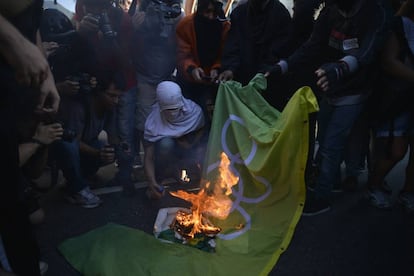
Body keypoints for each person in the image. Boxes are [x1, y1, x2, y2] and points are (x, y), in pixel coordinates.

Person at [265, 0, 392, 216]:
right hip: (330, 88)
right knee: (323, 140)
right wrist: (282, 66)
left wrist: (341, 68)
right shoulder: (330, 12)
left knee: (331, 145)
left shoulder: (376, 11)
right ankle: (330, 180)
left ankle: (322, 198)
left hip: (355, 91)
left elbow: (368, 51)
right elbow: (312, 46)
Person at [0, 0, 60, 274]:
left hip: (15, 95)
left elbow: (29, 21)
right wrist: (12, 40)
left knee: (17, 206)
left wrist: (45, 73)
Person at [74, 0, 140, 181]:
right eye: (91, 7)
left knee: (123, 128)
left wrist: (109, 36)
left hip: (121, 81)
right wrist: (80, 32)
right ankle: (81, 170)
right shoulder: (81, 9)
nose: (95, 11)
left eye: (100, 7)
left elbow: (126, 59)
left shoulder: (122, 19)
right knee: (88, 125)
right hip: (97, 82)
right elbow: (78, 51)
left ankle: (126, 169)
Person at [50, 70, 126, 207]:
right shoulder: (79, 107)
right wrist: (98, 153)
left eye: (118, 97)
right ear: (99, 92)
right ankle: (76, 189)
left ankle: (80, 176)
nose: (115, 101)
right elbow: (74, 142)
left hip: (84, 146)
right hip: (59, 148)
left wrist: (115, 151)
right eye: (111, 96)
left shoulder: (110, 108)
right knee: (69, 146)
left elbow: (113, 137)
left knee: (107, 149)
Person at [366, 0, 414, 211]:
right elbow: (388, 61)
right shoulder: (400, 23)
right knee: (395, 150)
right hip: (399, 97)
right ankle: (374, 185)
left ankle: (408, 191)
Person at [130, 0, 183, 158]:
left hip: (166, 77)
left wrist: (176, 21)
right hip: (145, 76)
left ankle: (162, 164)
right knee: (143, 124)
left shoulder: (176, 13)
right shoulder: (141, 10)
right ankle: (145, 161)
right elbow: (129, 47)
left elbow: (181, 46)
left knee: (168, 122)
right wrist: (135, 29)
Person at [217, 0, 293, 111]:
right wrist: (230, 69)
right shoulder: (239, 14)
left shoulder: (280, 15)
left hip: (268, 89)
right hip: (241, 86)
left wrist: (262, 76)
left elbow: (279, 51)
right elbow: (233, 46)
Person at [143, 81, 206, 199]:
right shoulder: (153, 123)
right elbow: (149, 156)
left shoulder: (194, 112)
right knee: (165, 144)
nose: (172, 113)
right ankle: (161, 178)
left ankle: (200, 175)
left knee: (203, 148)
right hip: (168, 151)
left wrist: (191, 144)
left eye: (175, 108)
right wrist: (151, 182)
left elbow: (201, 130)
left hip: (188, 147)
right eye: (168, 110)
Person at [175, 0, 230, 127]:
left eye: (214, 13)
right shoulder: (185, 25)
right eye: (207, 12)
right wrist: (192, 69)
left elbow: (225, 54)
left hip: (214, 83)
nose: (211, 17)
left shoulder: (224, 26)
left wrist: (217, 68)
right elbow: (182, 55)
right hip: (189, 84)